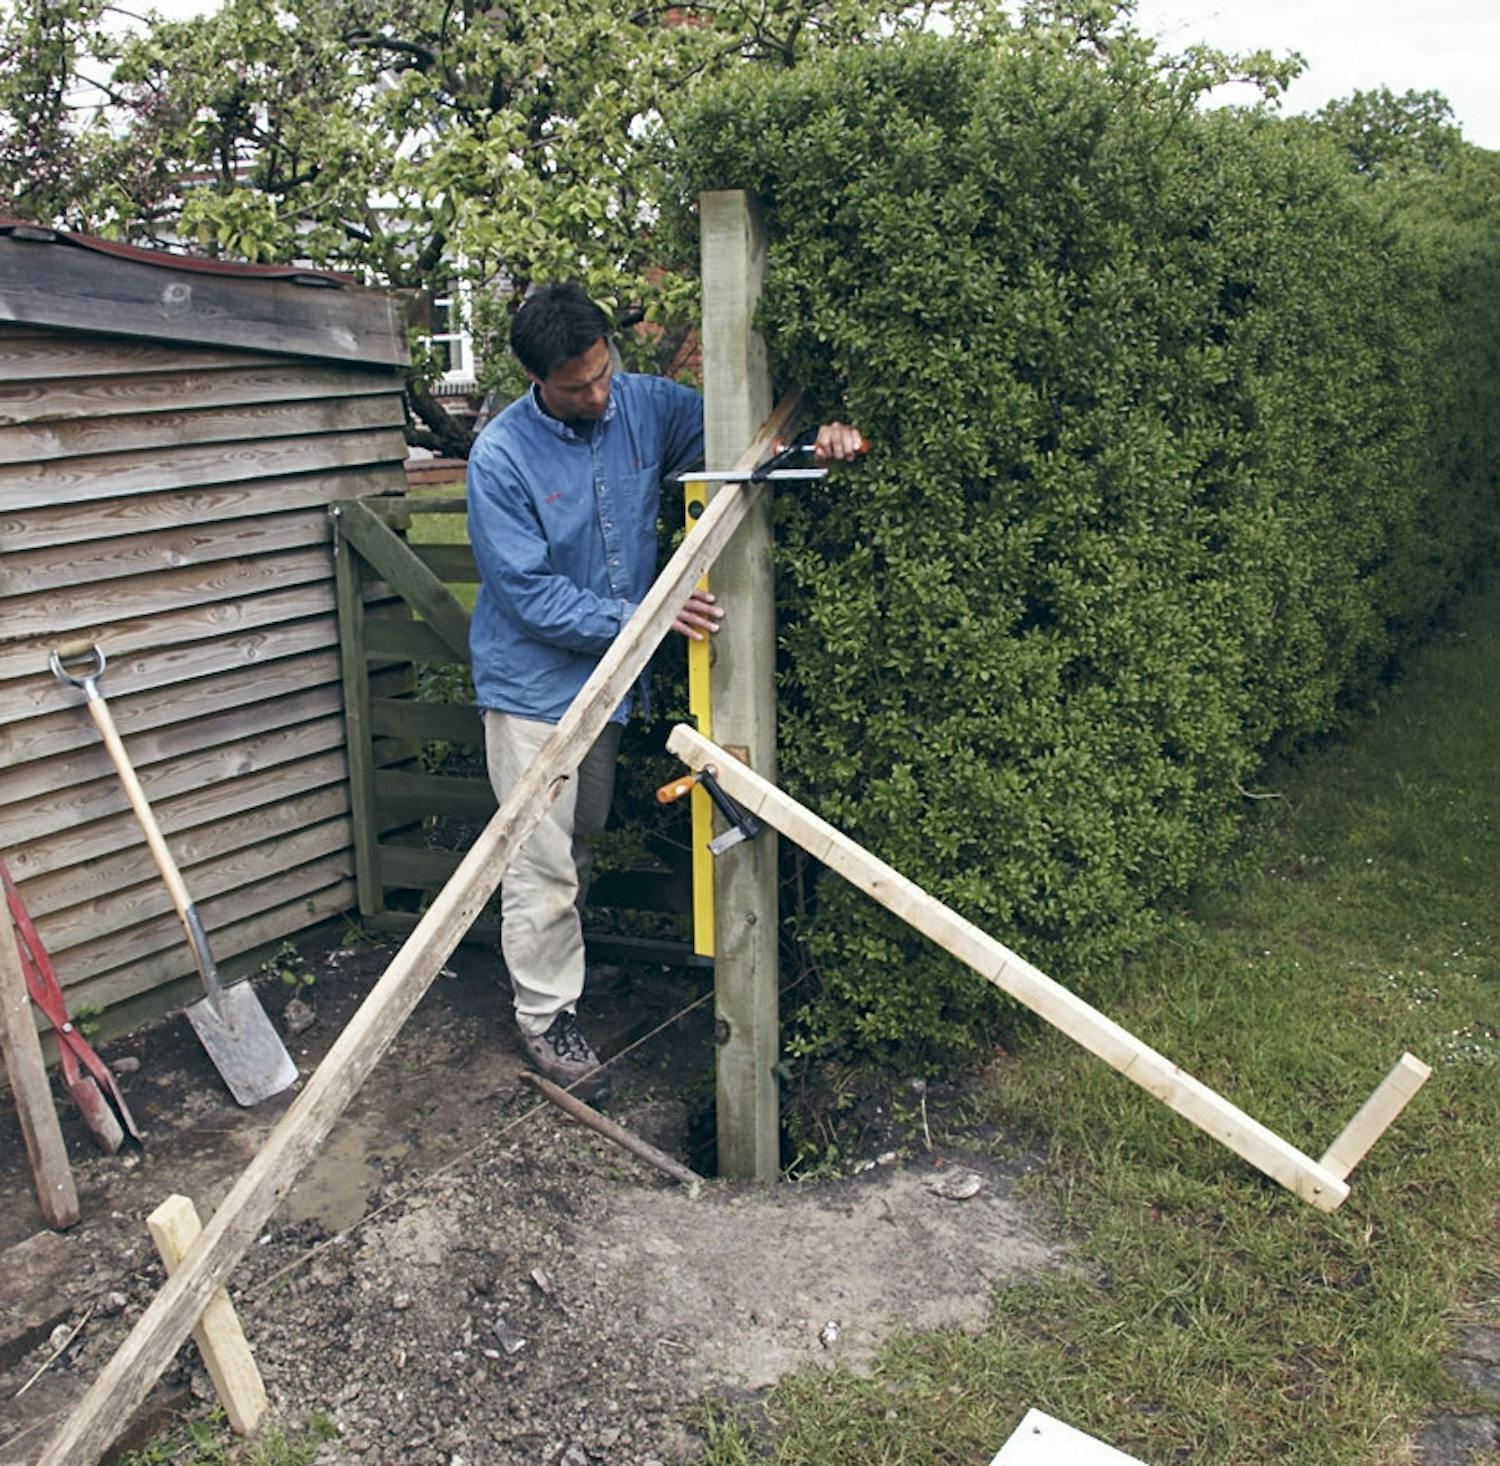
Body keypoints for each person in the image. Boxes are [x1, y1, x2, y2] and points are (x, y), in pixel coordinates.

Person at [466, 281, 863, 1098]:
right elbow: (528, 595)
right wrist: (649, 616)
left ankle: (560, 976)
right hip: (533, 689)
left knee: (575, 843)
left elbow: (748, 446)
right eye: (579, 386)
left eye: (604, 372)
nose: (599, 393)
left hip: (607, 686)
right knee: (538, 861)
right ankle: (546, 1017)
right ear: (539, 379)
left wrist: (815, 441)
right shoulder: (500, 458)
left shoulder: (644, 406)